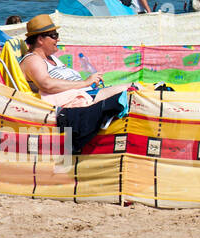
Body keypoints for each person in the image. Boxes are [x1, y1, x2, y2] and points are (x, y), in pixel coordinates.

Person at [19, 15, 125, 151]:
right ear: (40, 39)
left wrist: (88, 83)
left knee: (135, 90)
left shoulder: (51, 59)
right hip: (74, 101)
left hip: (86, 94)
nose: (58, 39)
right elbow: (47, 84)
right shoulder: (33, 60)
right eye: (54, 35)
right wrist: (85, 83)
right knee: (129, 93)